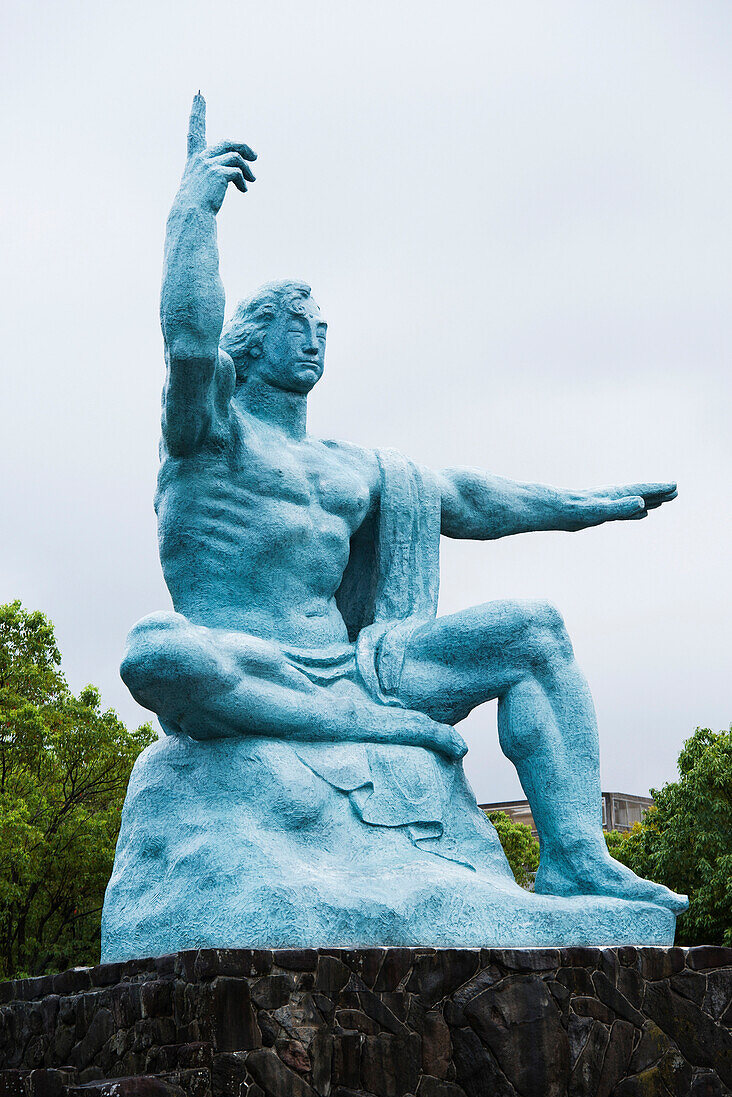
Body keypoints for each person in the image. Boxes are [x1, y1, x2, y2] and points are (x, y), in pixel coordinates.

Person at [122, 94, 685, 915]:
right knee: (155, 652)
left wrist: (587, 504)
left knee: (533, 631)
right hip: (245, 661)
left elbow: (469, 499)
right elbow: (185, 341)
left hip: (356, 669)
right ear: (254, 333)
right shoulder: (209, 435)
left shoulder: (352, 467)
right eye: (297, 322)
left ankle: (575, 858)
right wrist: (191, 213)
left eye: (324, 326)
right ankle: (367, 729)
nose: (316, 337)